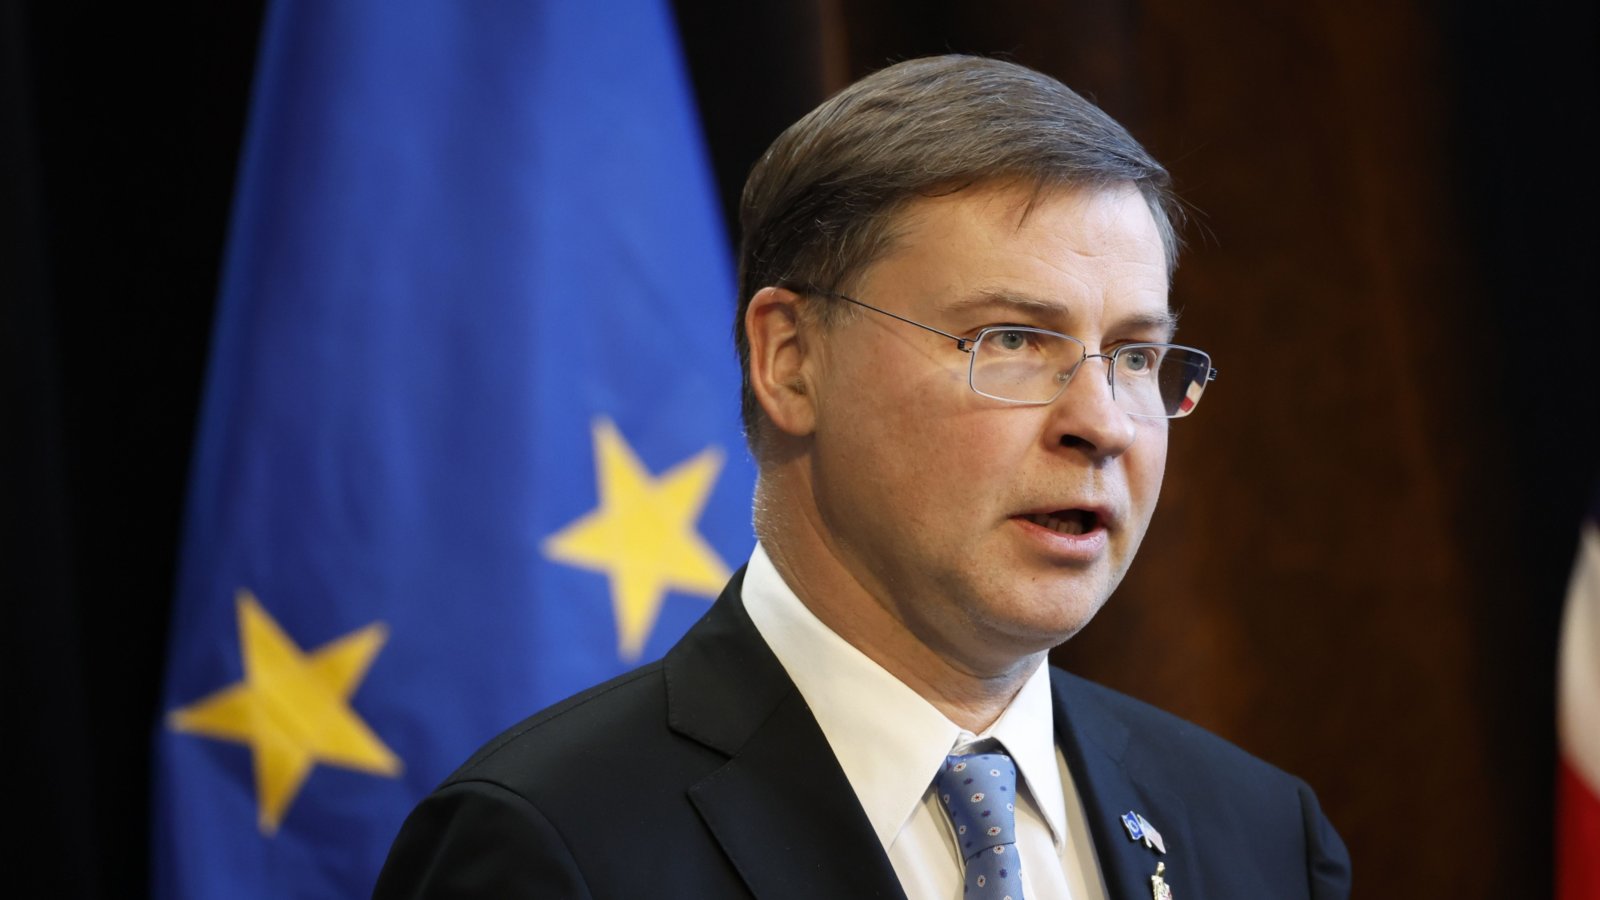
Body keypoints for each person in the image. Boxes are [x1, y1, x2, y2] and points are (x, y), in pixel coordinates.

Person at [375, 54, 1351, 899]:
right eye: (1012, 340)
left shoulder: (1262, 836)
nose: (1101, 423)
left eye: (1135, 356)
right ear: (791, 360)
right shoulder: (554, 844)